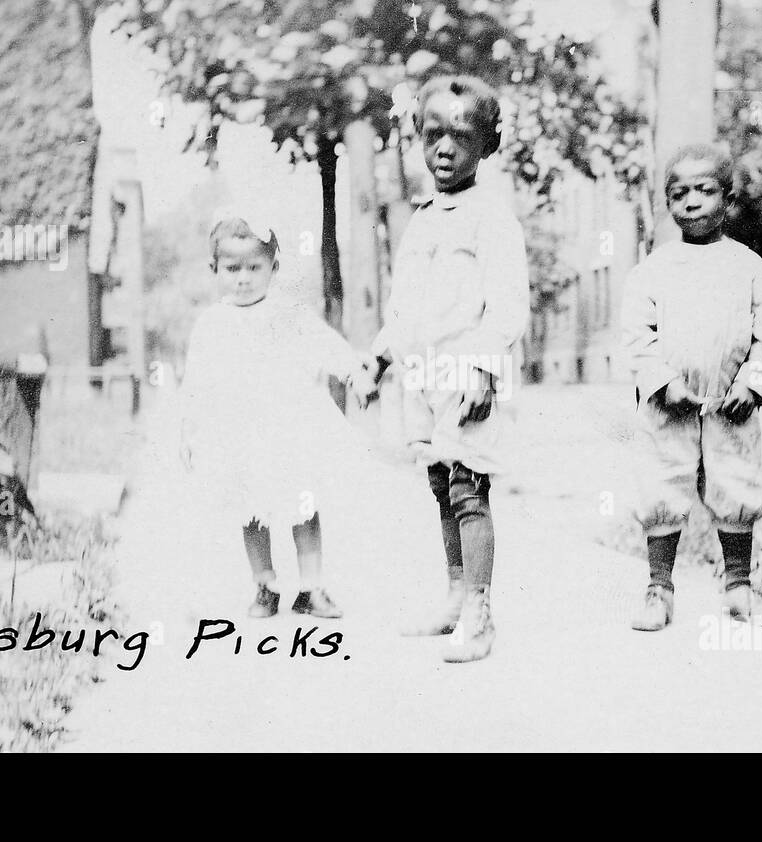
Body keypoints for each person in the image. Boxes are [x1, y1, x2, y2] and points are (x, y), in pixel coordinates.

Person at [363, 75, 530, 663]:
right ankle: (457, 595)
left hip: (467, 374)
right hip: (424, 377)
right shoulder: (424, 219)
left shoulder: (493, 218)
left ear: (490, 143)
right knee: (440, 484)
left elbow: (509, 304)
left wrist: (485, 371)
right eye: (432, 135)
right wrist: (382, 354)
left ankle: (480, 614)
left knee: (468, 488)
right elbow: (406, 306)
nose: (445, 148)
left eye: (463, 136)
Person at [180, 214, 375, 619]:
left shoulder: (287, 312)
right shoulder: (212, 325)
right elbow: (196, 383)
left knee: (303, 506)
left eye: (255, 268)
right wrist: (190, 431)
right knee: (252, 511)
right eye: (233, 269)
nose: (244, 278)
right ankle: (265, 585)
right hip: (240, 434)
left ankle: (311, 587)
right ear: (215, 269)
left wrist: (354, 373)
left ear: (274, 268)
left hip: (289, 431)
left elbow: (324, 343)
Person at [620, 143, 762, 630]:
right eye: (678, 193)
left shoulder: (750, 266)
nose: (691, 202)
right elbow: (637, 336)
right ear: (667, 204)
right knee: (663, 486)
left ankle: (738, 587)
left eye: (704, 191)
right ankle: (658, 590)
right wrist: (663, 384)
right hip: (669, 404)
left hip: (730, 401)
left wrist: (752, 385)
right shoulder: (653, 270)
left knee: (736, 484)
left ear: (728, 199)